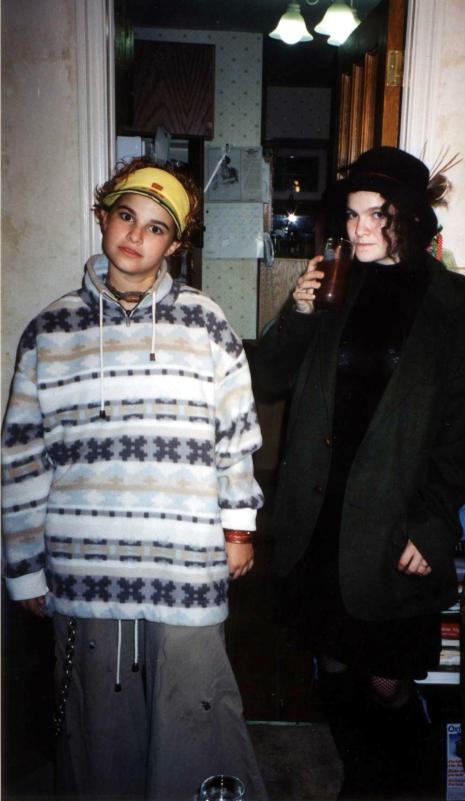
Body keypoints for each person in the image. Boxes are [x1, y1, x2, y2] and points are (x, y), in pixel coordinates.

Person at [2, 156, 268, 801]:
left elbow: (236, 434)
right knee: (99, 728)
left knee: (195, 713)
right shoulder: (50, 330)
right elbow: (22, 457)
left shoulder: (206, 323)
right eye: (126, 215)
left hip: (185, 559)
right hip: (86, 562)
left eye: (156, 227)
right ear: (104, 216)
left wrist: (239, 529)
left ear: (173, 245)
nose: (135, 235)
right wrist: (25, 568)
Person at [254, 146, 465, 800]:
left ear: (413, 220)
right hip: (319, 519)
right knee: (334, 663)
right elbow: (267, 378)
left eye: (377, 215)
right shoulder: (334, 286)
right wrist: (296, 315)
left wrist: (433, 519)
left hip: (393, 523)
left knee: (387, 679)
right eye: (351, 214)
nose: (358, 228)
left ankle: (402, 785)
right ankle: (359, 782)